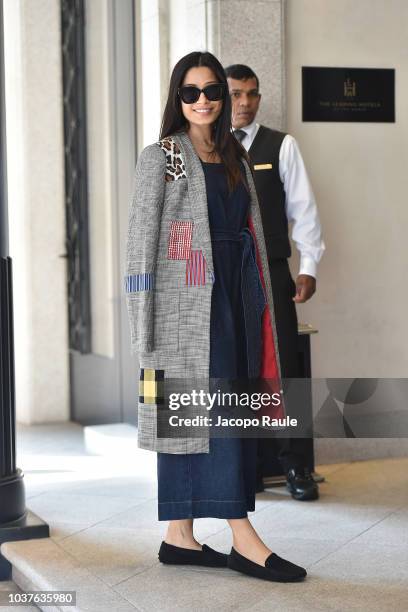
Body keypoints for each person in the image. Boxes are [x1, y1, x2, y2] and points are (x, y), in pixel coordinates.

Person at [124, 51, 307, 582]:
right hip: (186, 303)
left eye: (211, 91)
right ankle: (243, 536)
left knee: (219, 411)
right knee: (201, 416)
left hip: (238, 295)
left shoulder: (235, 156)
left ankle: (178, 536)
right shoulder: (163, 156)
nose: (202, 100)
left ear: (223, 100)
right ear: (177, 99)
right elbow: (141, 246)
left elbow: (250, 229)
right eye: (190, 91)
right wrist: (145, 327)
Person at [225, 64, 325, 501]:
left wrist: (310, 266)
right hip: (223, 276)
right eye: (235, 94)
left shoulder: (280, 145)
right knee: (234, 368)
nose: (244, 103)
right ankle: (242, 469)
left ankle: (296, 466)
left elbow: (304, 209)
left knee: (283, 366)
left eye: (252, 94)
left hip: (272, 271)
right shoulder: (203, 146)